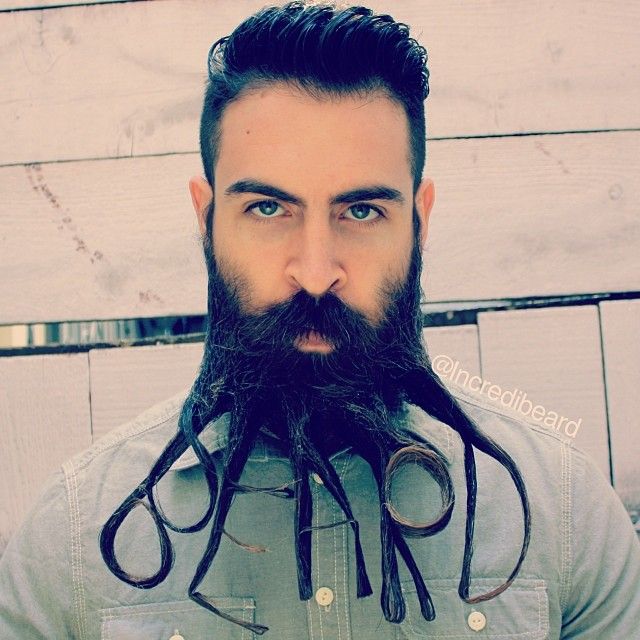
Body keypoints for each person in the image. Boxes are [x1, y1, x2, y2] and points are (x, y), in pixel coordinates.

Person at [1, 1, 639, 638]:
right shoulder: (71, 548)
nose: (314, 272)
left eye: (361, 211)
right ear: (207, 219)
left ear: (418, 222)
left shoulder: (565, 520)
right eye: (267, 208)